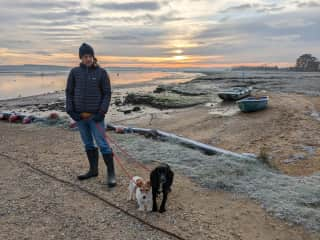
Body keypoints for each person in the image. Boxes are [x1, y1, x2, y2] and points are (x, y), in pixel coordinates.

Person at [65, 43, 116, 188]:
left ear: (94, 57)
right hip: (80, 116)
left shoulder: (101, 73)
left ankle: (111, 174)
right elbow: (69, 92)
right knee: (88, 143)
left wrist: (101, 112)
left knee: (103, 144)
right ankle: (93, 170)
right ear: (80, 58)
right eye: (85, 57)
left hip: (96, 117)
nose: (88, 59)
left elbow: (107, 93)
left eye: (90, 56)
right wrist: (71, 111)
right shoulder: (74, 72)